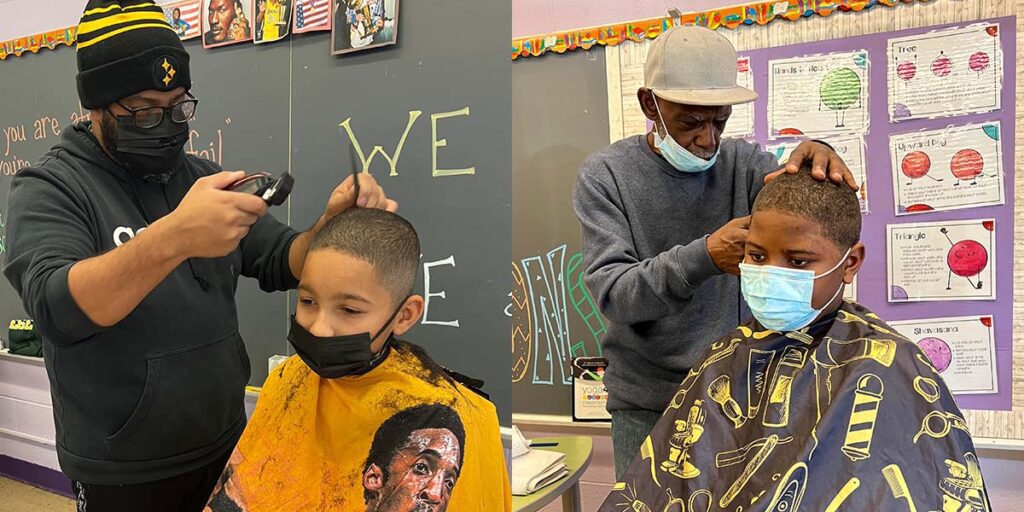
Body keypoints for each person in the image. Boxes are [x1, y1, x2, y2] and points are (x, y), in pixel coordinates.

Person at [3, 1, 395, 510]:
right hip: (125, 469)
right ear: (96, 106)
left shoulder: (199, 176)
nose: (165, 125)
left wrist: (328, 227)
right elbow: (58, 308)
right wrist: (174, 238)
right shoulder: (50, 188)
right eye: (143, 110)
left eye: (178, 106)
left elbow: (282, 257)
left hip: (227, 442)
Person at [598, 165, 991, 512]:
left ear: (849, 263)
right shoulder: (727, 354)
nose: (771, 273)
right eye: (755, 256)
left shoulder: (889, 363)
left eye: (798, 262)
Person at [571, 25, 859, 478]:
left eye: (719, 120)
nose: (707, 139)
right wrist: (703, 258)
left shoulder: (744, 166)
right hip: (648, 404)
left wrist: (819, 151)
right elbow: (614, 294)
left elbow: (799, 191)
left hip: (740, 393)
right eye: (691, 122)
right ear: (651, 104)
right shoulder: (606, 176)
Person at [203, 209, 511, 511]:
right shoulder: (288, 380)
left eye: (349, 310)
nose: (318, 327)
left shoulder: (456, 417)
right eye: (308, 301)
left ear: (405, 315)